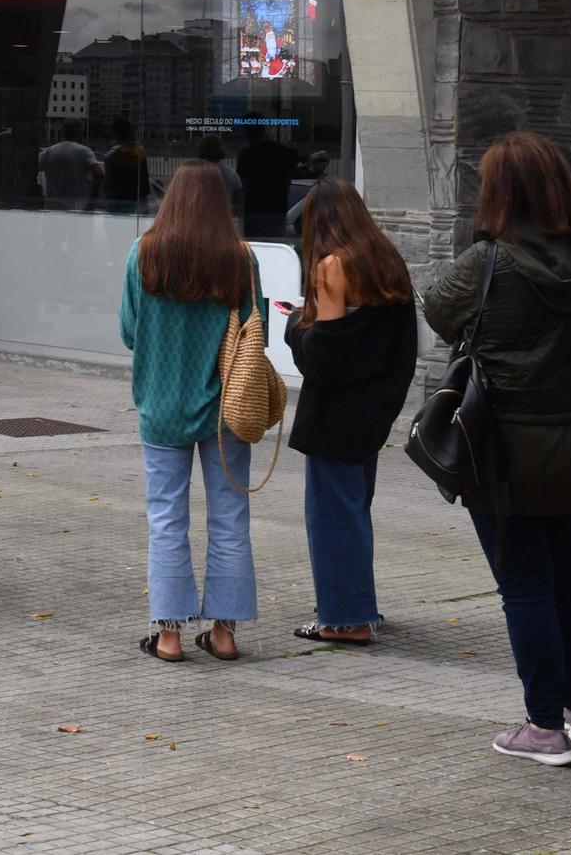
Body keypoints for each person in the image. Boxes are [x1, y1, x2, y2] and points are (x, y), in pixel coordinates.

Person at [423, 131, 571, 768]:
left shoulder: (488, 263)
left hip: (507, 456)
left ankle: (542, 727)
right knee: (569, 580)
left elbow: (435, 308)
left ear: (498, 193)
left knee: (526, 586)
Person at [121, 161, 265, 664]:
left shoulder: (144, 254)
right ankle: (224, 634)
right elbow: (256, 327)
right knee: (229, 518)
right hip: (227, 410)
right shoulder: (241, 258)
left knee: (166, 520)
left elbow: (129, 331)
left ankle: (169, 636)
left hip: (161, 405)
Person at [282, 178, 416, 647]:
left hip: (335, 414)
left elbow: (325, 355)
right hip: (372, 411)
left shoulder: (332, 266)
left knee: (332, 517)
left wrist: (294, 328)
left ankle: (345, 619)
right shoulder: (387, 261)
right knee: (354, 511)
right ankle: (359, 606)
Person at [38, 119, 102, 206]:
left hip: (52, 205)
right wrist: (92, 199)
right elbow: (98, 173)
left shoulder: (48, 151)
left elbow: (32, 170)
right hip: (77, 205)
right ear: (80, 133)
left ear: (63, 132)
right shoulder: (84, 151)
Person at [196, 133, 243, 219]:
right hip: (223, 220)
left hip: (200, 219)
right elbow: (239, 201)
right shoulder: (231, 173)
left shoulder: (194, 173)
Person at [103, 117, 145, 212]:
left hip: (114, 203)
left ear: (114, 133)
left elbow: (108, 183)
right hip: (133, 202)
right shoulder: (140, 152)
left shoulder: (111, 155)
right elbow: (144, 182)